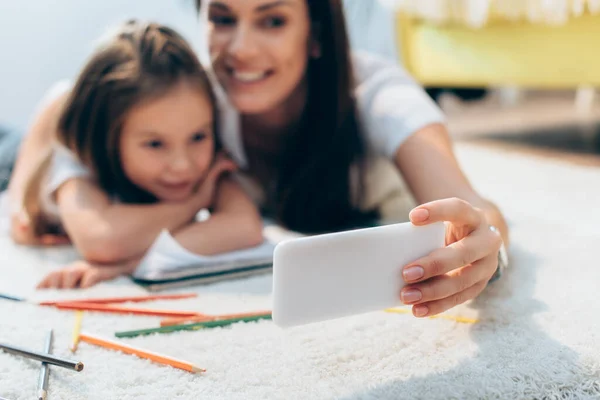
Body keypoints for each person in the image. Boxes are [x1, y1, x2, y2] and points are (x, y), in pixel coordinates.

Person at [194, 0, 510, 318]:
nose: (242, 49)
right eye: (222, 19)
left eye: (273, 21)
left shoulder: (380, 93)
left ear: (315, 34)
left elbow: (470, 206)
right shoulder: (190, 100)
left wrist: (483, 247)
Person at [7, 20, 263, 289]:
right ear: (108, 141)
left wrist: (130, 265)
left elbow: (244, 227)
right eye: (154, 144)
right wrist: (196, 201)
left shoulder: (202, 155)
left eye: (198, 137)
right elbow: (103, 242)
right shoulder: (76, 160)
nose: (182, 165)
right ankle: (57, 100)